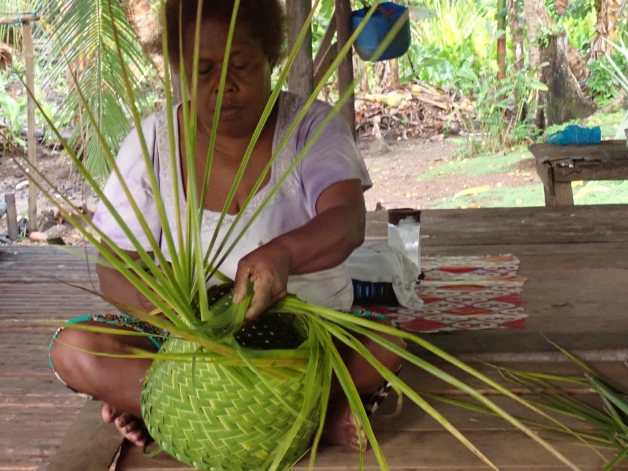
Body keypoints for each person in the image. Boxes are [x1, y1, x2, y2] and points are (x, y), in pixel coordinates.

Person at [49, 0, 405, 453]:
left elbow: (348, 220)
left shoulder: (311, 129)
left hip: (301, 343)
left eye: (240, 65)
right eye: (203, 70)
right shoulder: (153, 145)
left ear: (269, 58)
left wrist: (284, 254)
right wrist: (158, 306)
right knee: (74, 349)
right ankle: (308, 421)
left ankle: (178, 418)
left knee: (385, 343)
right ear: (178, 69)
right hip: (190, 352)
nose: (224, 86)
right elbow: (115, 266)